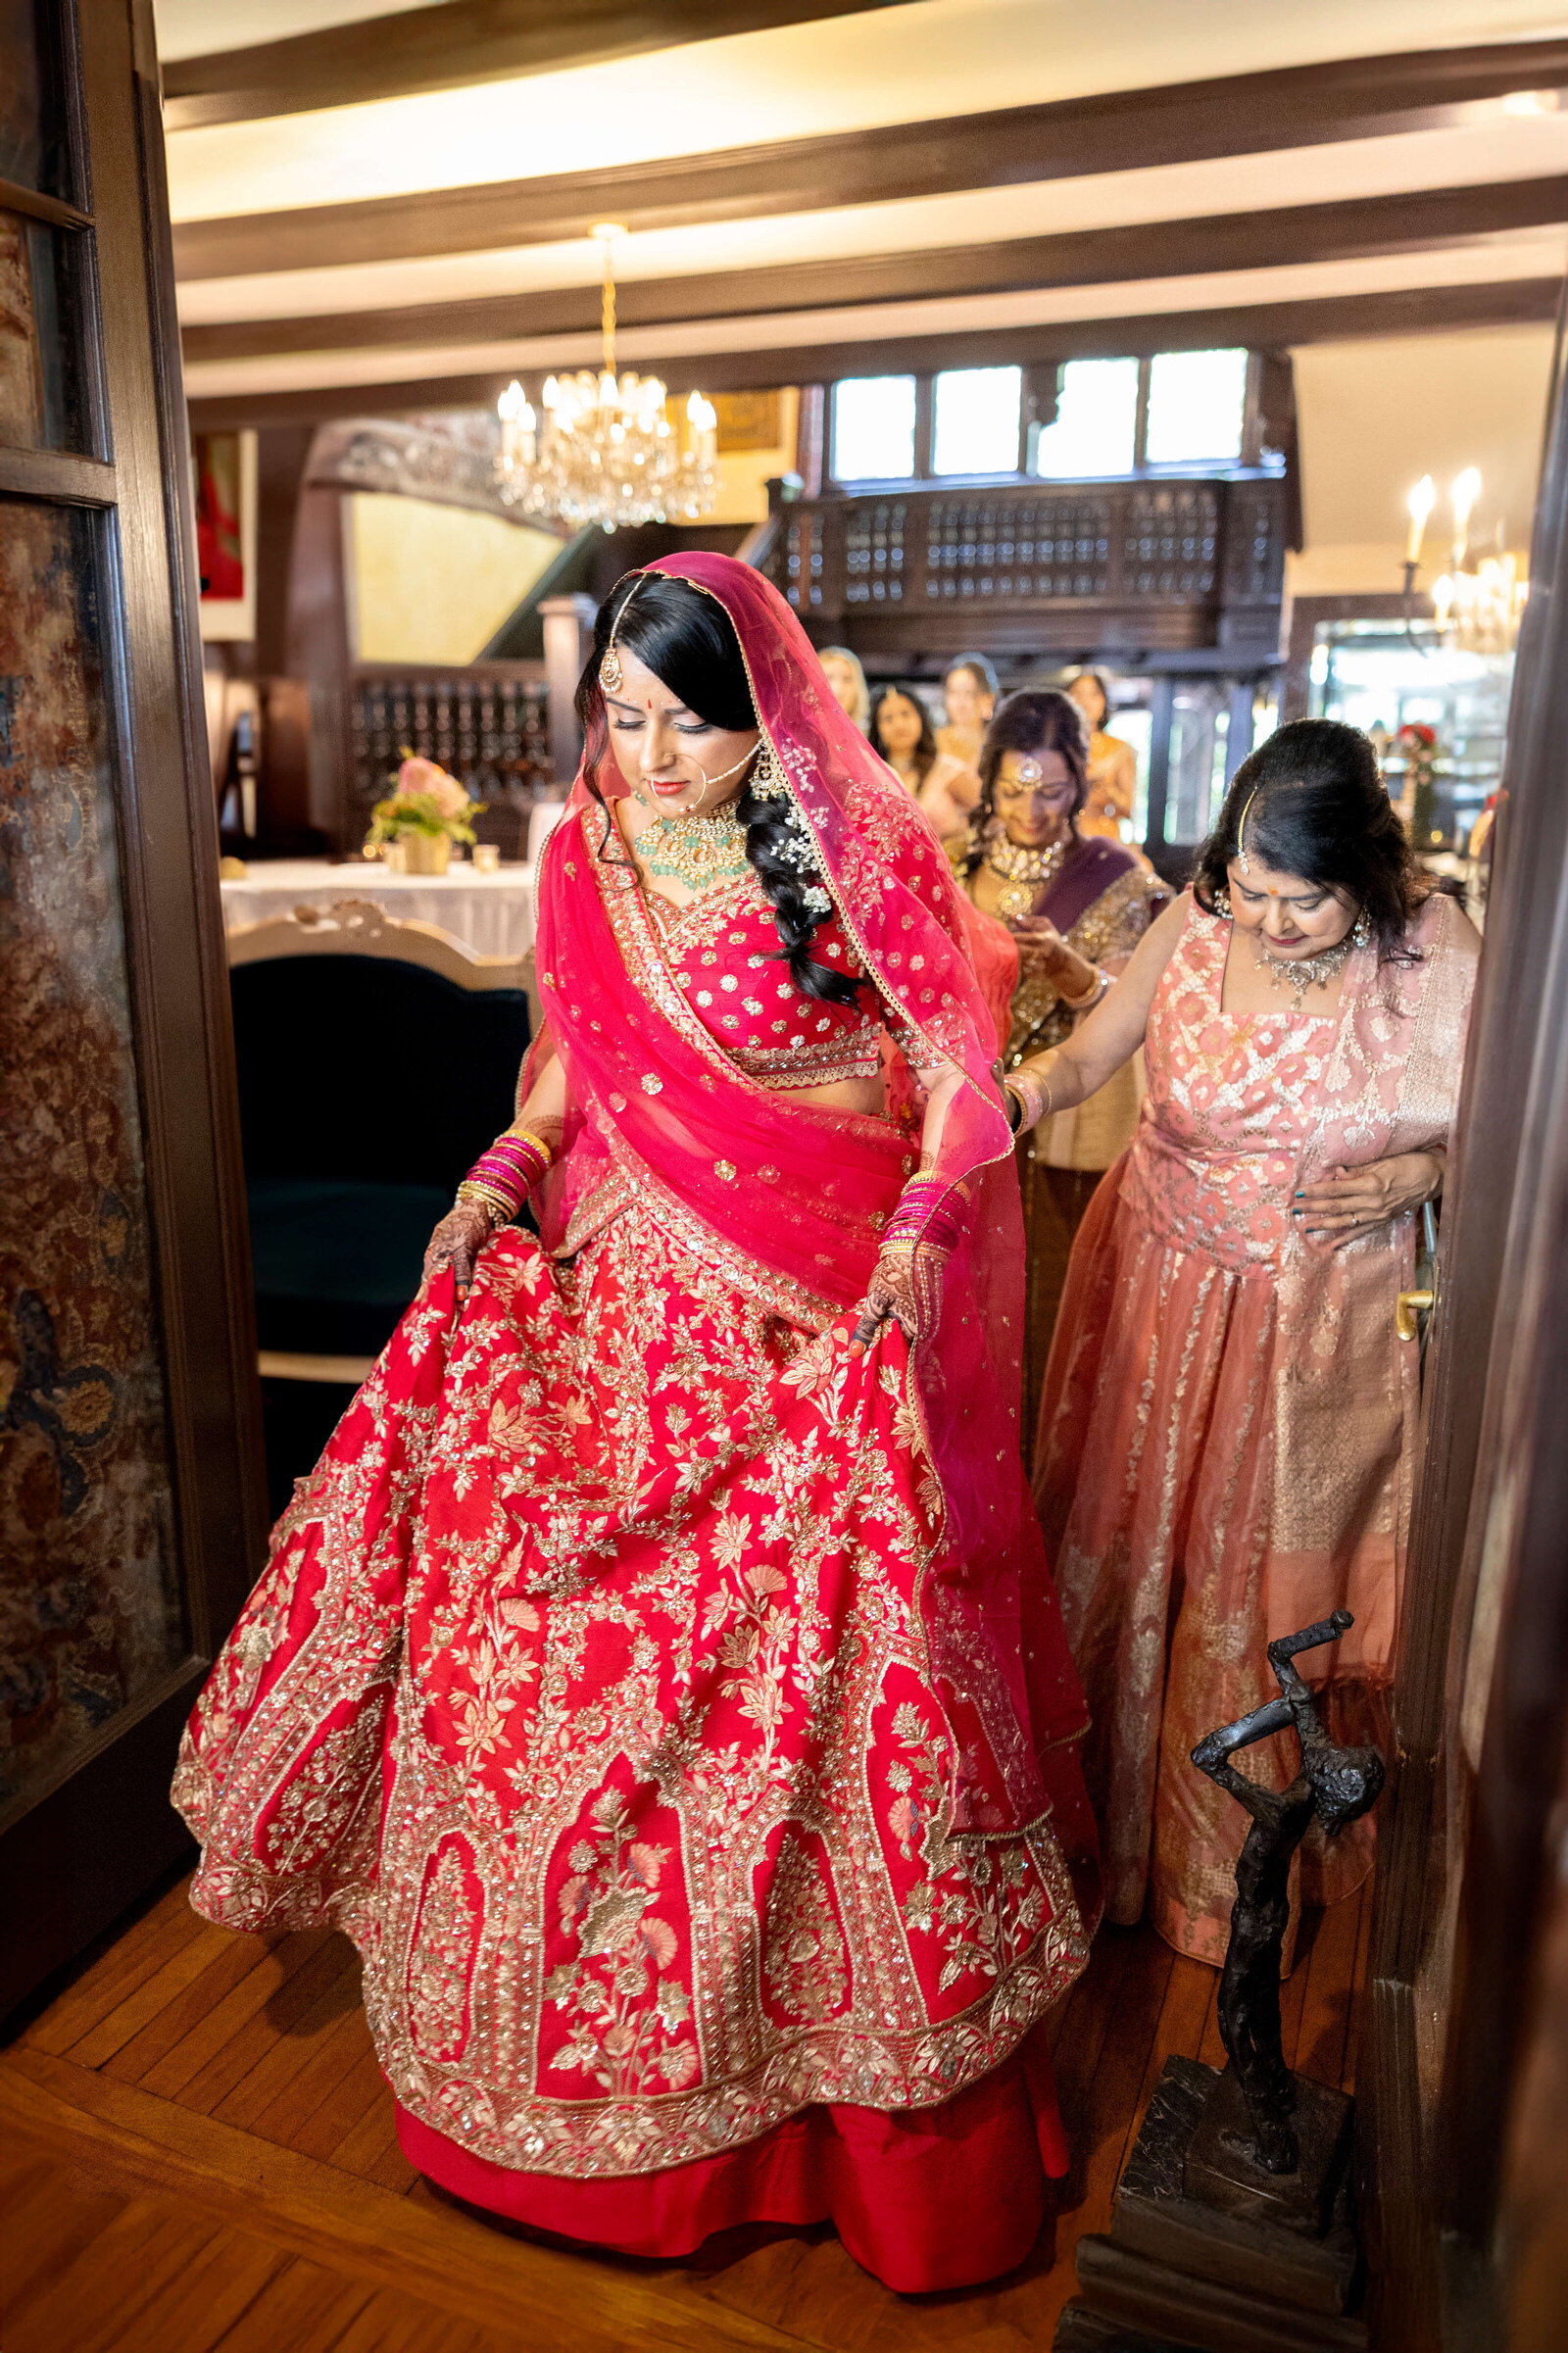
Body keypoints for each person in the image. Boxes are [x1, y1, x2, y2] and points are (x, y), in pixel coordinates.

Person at [173, 554, 1099, 2294]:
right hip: (606, 1295)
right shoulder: (582, 854)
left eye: (683, 728)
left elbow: (963, 1075)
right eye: (620, 718)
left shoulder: (856, 855)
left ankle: (821, 2110)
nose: (646, 758)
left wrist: (925, 1215)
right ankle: (520, 2077)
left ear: (765, 727)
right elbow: (569, 1066)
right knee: (531, 1655)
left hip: (804, 1325)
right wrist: (505, 1167)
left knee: (808, 1684)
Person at [1006, 718, 1479, 1964]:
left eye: (1303, 901)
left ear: (1363, 873)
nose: (1267, 922)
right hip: (1156, 1289)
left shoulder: (1427, 946)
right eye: (1250, 889)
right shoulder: (1199, 915)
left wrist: (1423, 1167)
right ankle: (1099, 1838)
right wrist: (1016, 1095)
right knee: (1130, 1547)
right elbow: (1093, 1050)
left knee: (1246, 1573)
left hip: (1307, 1312)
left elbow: (1506, 1113)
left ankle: (1233, 1871)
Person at [958, 690, 1166, 1426]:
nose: (1033, 808)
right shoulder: (953, 865)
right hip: (966, 1112)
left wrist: (1076, 973)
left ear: (1080, 784)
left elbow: (1143, 1001)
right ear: (988, 780)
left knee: (1050, 1299)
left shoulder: (1117, 874)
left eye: (1052, 790)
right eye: (1015, 788)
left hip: (1070, 1119)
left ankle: (1046, 1461)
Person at [869, 683, 979, 852]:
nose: (899, 724)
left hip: (946, 870)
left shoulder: (946, 771)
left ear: (921, 717)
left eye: (906, 714)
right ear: (877, 729)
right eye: (888, 718)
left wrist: (960, 843)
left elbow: (985, 813)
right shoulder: (871, 776)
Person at [1066, 668, 1138, 841]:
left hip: (1104, 840)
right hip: (1064, 838)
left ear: (1103, 701)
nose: (1085, 701)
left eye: (1093, 694)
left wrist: (1106, 787)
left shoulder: (1119, 749)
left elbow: (1128, 810)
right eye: (1078, 694)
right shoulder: (1057, 747)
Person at [937, 653, 998, 769]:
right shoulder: (934, 743)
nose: (960, 702)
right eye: (953, 692)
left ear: (988, 699)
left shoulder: (995, 745)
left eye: (968, 693)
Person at [817, 643, 870, 733]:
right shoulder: (800, 737)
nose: (839, 687)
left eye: (847, 679)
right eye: (829, 678)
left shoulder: (866, 736)